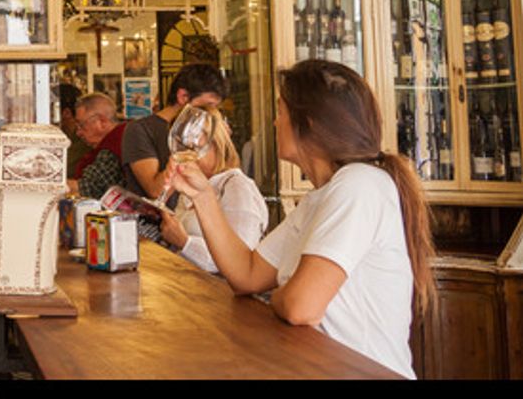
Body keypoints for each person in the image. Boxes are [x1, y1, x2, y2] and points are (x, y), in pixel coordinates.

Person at [166, 60, 434, 379]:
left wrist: (282, 294)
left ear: (308, 122)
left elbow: (300, 307)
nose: (275, 122)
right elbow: (247, 275)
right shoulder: (318, 200)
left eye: (280, 111)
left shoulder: (360, 184)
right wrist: (203, 197)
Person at [157, 104, 268, 273]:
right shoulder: (195, 186)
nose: (185, 153)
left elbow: (240, 263)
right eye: (181, 145)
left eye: (193, 147)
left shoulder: (237, 187)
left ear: (216, 143)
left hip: (222, 296)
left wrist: (185, 242)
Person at [122, 63, 227, 204]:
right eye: (207, 106)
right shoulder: (139, 130)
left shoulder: (205, 131)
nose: (213, 113)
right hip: (156, 223)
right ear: (183, 96)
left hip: (195, 219)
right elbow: (156, 192)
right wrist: (181, 158)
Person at [66, 92, 127, 198]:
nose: (78, 133)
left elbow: (88, 187)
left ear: (102, 122)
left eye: (81, 125)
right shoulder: (122, 136)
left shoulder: (112, 147)